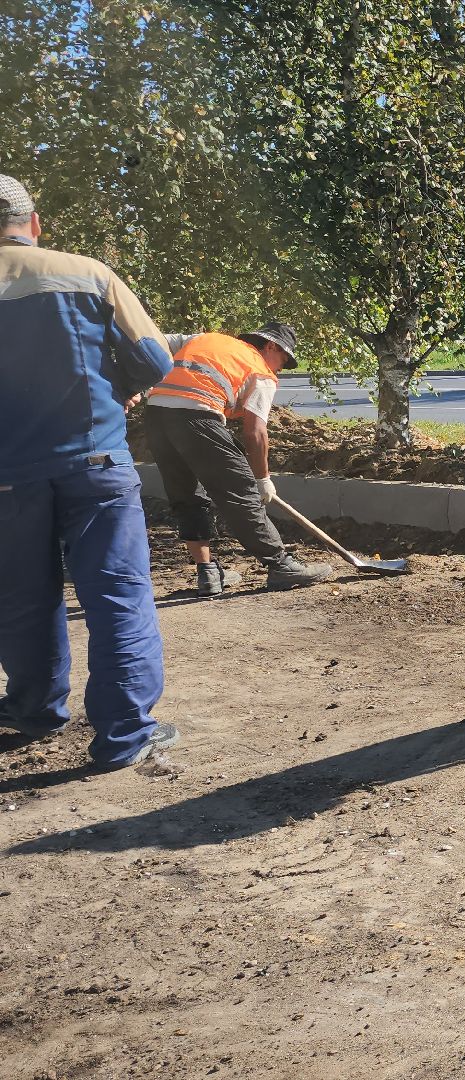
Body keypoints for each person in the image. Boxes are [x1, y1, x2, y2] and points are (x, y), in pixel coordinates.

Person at [0, 173, 181, 768]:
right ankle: (124, 734)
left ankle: (33, 707)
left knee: (22, 598)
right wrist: (116, 389)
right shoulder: (88, 273)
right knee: (117, 595)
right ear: (35, 223)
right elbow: (155, 359)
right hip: (95, 460)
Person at [142, 323, 333, 594]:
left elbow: (153, 339)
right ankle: (280, 565)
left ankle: (207, 573)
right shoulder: (260, 371)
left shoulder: (206, 339)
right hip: (197, 417)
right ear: (271, 346)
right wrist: (262, 479)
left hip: (156, 416)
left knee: (186, 496)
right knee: (240, 493)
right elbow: (255, 432)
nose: (280, 368)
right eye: (283, 360)